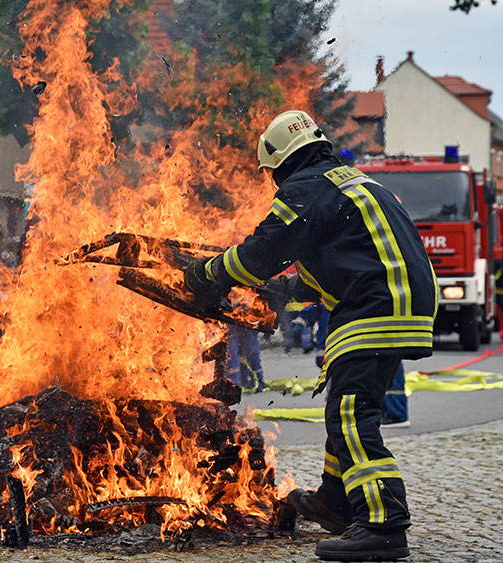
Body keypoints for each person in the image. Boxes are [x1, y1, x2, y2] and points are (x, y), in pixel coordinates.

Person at [183, 110, 437, 561]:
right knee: (345, 407)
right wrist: (280, 288)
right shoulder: (350, 182)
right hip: (396, 300)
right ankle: (337, 503)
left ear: (280, 161)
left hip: (374, 307)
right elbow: (341, 259)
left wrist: (208, 273)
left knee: (353, 416)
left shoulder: (305, 187)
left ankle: (384, 523)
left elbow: (263, 251)